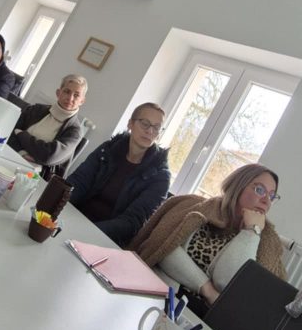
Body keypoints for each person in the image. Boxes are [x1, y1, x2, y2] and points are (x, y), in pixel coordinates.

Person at [130, 163, 287, 307]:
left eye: (272, 196)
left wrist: (251, 231)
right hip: (158, 290)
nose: (266, 201)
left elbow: (226, 282)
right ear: (238, 186)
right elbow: (165, 246)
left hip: (204, 316)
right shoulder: (197, 207)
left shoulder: (263, 242)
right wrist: (208, 290)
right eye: (260, 190)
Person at [67, 102, 171, 245]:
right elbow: (78, 182)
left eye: (156, 127)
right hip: (74, 217)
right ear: (130, 124)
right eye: (145, 124)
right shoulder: (108, 149)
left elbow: (131, 222)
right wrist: (59, 207)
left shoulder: (160, 177)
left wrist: (87, 232)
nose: (150, 131)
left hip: (106, 239)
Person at [8, 74, 87, 175]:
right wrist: (22, 153)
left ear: (82, 101)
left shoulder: (75, 131)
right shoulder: (35, 109)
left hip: (36, 175)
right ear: (58, 93)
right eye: (67, 92)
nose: (70, 98)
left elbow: (49, 156)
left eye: (76, 95)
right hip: (11, 155)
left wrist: (22, 134)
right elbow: (9, 130)